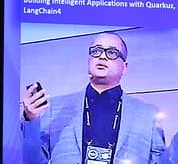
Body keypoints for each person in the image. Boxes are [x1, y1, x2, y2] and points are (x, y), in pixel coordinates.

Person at [20, 31, 169, 164]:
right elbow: (31, 160)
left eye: (112, 52)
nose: (102, 56)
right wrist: (30, 119)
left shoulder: (148, 115)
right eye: (96, 51)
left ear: (124, 67)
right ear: (88, 60)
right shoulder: (56, 108)